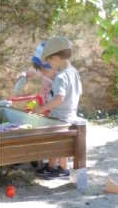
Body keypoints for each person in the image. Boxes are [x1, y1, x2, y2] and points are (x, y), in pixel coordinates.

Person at [33, 36, 82, 178]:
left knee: (54, 144)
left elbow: (59, 98)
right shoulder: (74, 72)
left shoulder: (61, 76)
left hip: (59, 117)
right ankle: (59, 168)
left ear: (56, 57)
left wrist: (41, 109)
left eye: (49, 60)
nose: (48, 64)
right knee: (61, 145)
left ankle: (54, 167)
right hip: (71, 114)